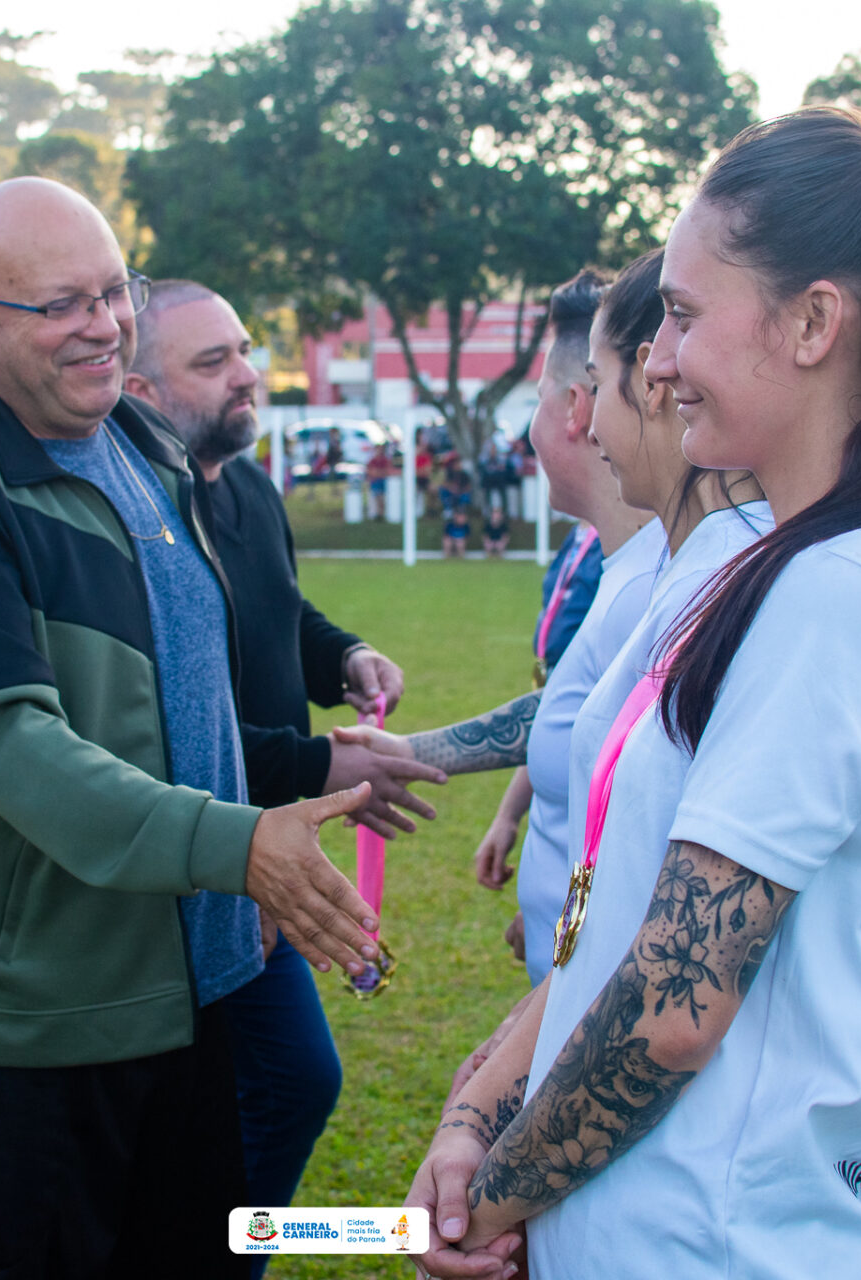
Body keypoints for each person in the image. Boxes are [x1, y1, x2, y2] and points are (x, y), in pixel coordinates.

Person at [410, 108, 861, 1280]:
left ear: (814, 323)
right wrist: (483, 1108)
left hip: (718, 1244)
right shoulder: (778, 559)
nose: (657, 358)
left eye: (682, 315)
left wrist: (495, 1195)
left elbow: (675, 998)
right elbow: (629, 918)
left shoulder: (836, 590)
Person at [0, 178, 384, 1280]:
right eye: (59, 304)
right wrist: (239, 846)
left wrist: (303, 763)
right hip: (27, 1030)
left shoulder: (147, 451)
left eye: (114, 292)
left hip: (186, 996)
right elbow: (15, 747)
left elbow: (185, 702)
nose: (101, 324)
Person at [120, 278, 444, 1242]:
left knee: (289, 1083)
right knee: (238, 1093)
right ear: (140, 390)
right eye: (212, 362)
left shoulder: (250, 488)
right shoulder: (141, 519)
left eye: (244, 351)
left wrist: (341, 654)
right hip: (190, 859)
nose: (247, 376)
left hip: (271, 851)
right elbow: (179, 730)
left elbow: (281, 612)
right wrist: (321, 766)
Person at [337, 265, 694, 987]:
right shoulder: (628, 564)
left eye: (535, 401)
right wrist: (410, 750)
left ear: (574, 408)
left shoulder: (667, 580)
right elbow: (572, 707)